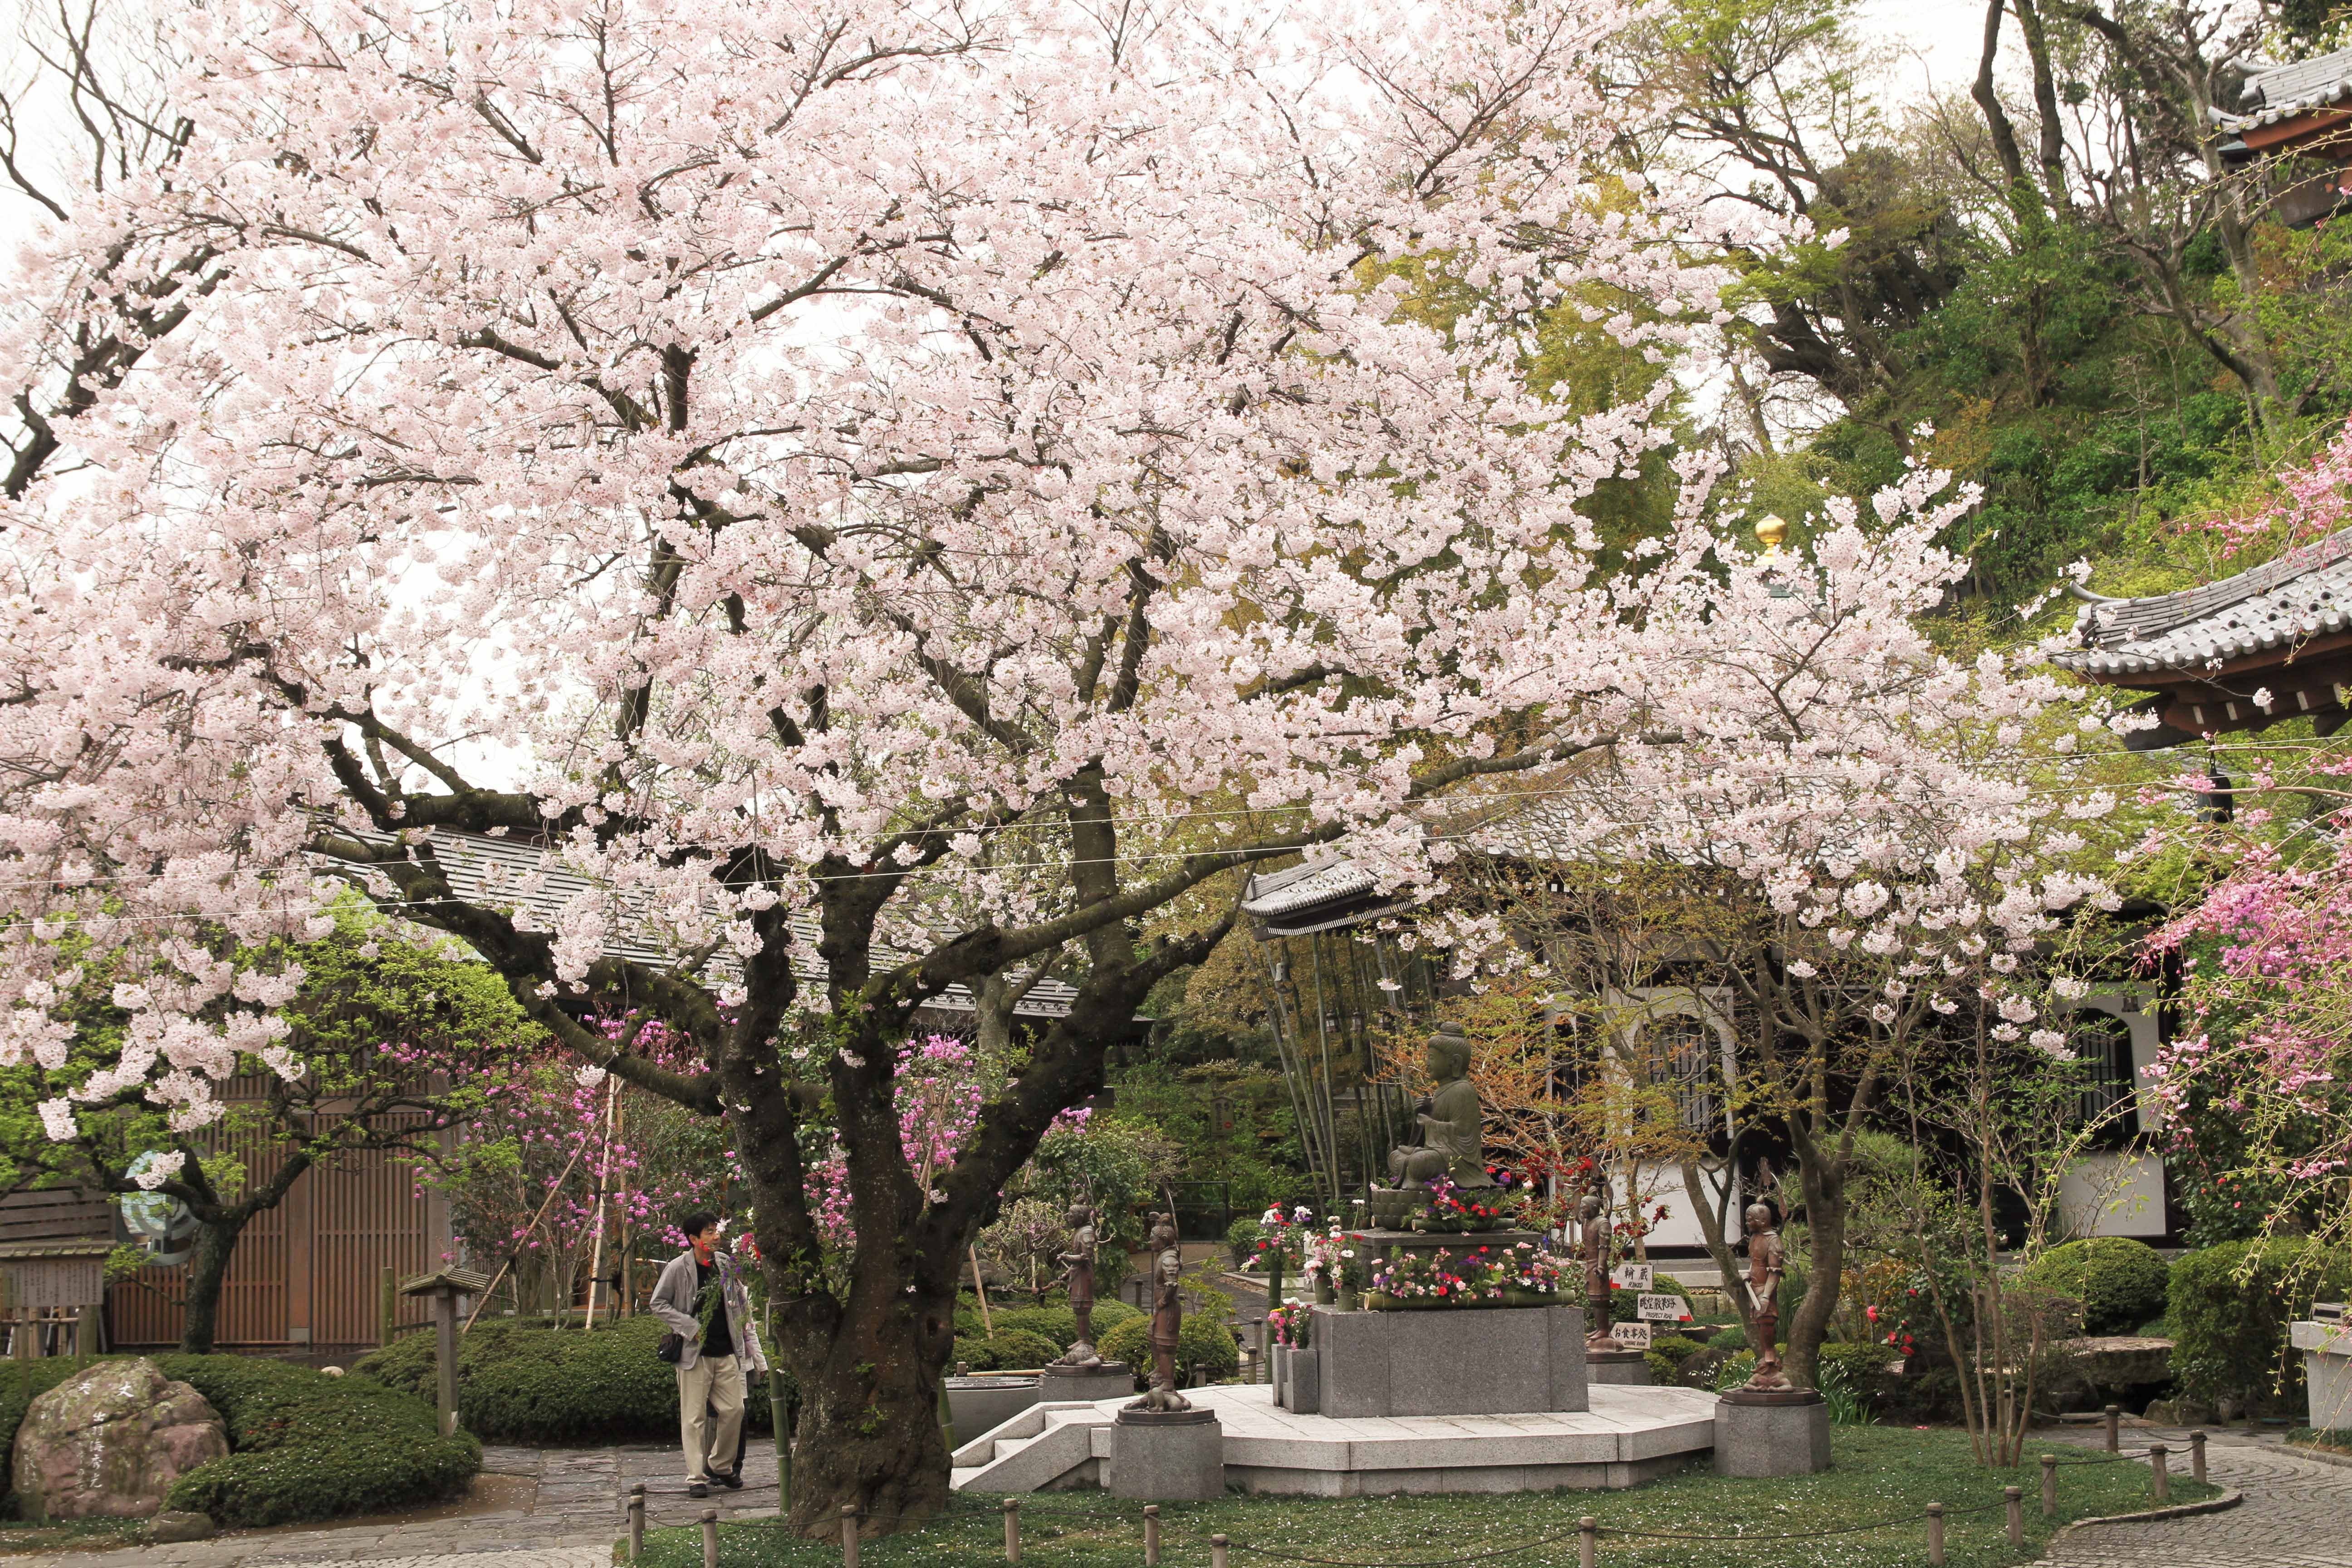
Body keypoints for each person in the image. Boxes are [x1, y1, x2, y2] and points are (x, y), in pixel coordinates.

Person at [652, 1209, 768, 1498]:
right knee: (694, 1418)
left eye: (717, 1230)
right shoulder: (679, 1268)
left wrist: (755, 1354)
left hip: (727, 1352)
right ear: (694, 1239)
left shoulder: (725, 1264)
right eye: (709, 1232)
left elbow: (741, 1307)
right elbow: (659, 1303)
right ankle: (696, 1477)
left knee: (734, 1410)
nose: (717, 1236)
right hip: (695, 1356)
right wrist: (690, 1326)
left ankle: (720, 1465)